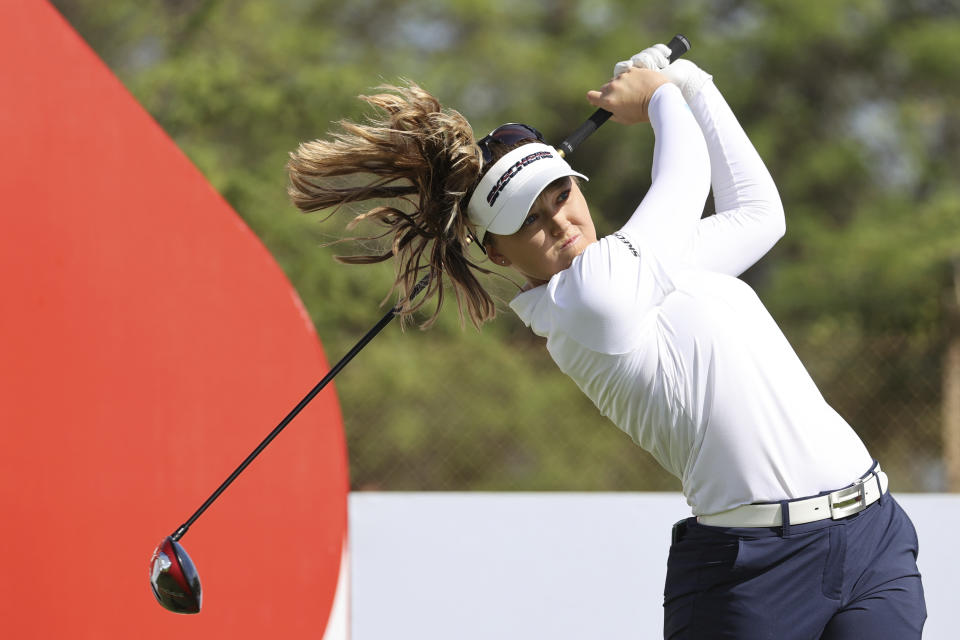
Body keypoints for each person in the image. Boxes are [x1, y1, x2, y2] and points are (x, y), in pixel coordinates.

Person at [286, 45, 926, 638]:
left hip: (872, 535)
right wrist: (659, 98)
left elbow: (760, 214)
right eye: (527, 223)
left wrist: (693, 83)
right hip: (751, 577)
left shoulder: (648, 266)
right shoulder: (585, 303)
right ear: (497, 251)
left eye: (560, 194)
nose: (558, 222)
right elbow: (685, 180)